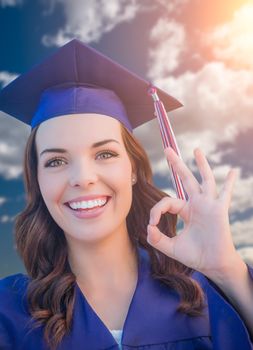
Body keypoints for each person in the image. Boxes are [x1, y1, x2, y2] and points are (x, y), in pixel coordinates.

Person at [0, 39, 252, 350]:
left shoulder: (201, 293)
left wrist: (227, 269)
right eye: (56, 161)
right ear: (37, 180)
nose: (82, 178)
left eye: (104, 154)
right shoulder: (8, 314)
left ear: (132, 168)